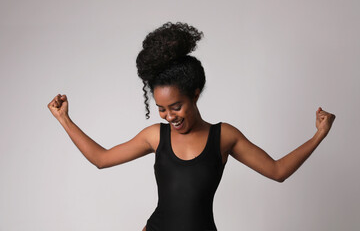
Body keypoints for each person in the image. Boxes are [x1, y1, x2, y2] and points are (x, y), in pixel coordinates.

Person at [47, 22, 336, 231]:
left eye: (176, 106)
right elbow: (101, 159)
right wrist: (64, 119)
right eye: (161, 109)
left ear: (195, 93)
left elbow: (277, 171)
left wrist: (319, 135)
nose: (169, 116)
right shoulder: (154, 137)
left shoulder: (224, 137)